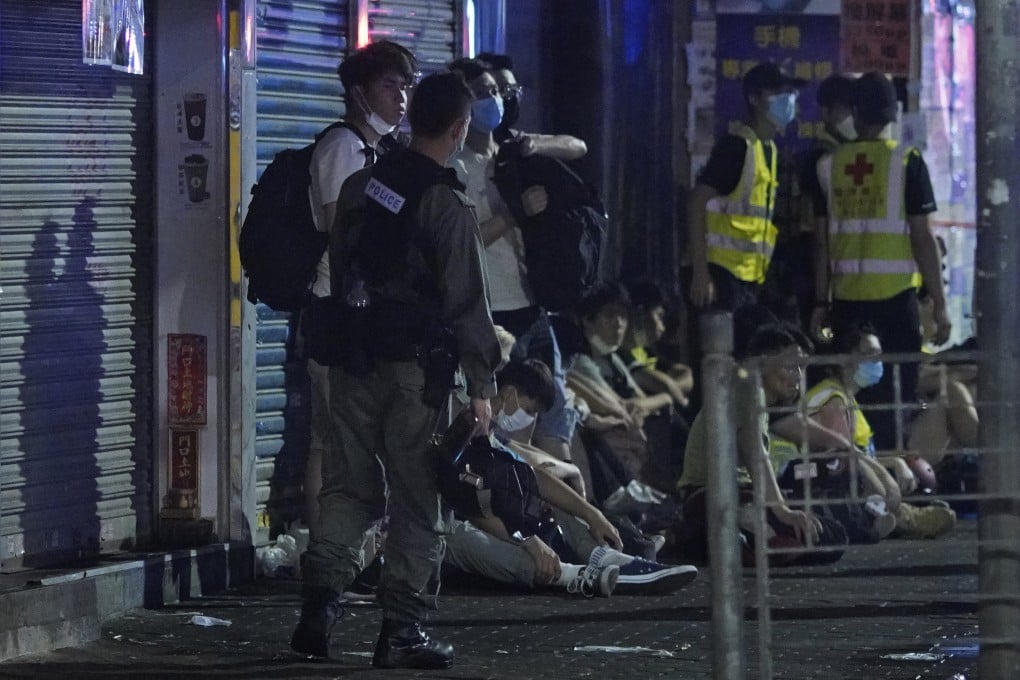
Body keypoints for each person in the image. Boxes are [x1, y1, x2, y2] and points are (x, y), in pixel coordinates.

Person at [290, 72, 502, 670]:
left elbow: (339, 259)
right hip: (418, 373)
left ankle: (320, 604)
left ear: (413, 119)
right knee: (417, 498)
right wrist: (482, 388)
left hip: (354, 360)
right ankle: (401, 630)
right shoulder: (447, 204)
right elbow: (467, 304)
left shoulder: (361, 185)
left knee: (347, 486)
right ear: (459, 128)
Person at [442, 358, 698, 596]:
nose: (530, 419)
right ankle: (574, 576)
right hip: (448, 525)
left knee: (544, 496)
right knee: (469, 536)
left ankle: (606, 559)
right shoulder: (461, 424)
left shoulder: (488, 430)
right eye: (529, 410)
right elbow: (466, 502)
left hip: (482, 513)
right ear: (508, 393)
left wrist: (591, 514)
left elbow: (532, 476)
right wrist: (527, 539)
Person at [446, 57, 583, 468]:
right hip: (495, 315)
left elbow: (577, 146)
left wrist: (535, 145)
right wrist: (513, 214)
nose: (495, 100)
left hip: (533, 304)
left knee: (554, 413)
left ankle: (576, 522)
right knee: (508, 425)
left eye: (497, 92)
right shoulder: (455, 166)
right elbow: (463, 242)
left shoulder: (510, 151)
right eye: (482, 94)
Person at [302, 40, 417, 528]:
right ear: (359, 92)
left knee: (356, 441)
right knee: (330, 441)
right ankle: (323, 553)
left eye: (406, 87)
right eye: (389, 86)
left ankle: (354, 550)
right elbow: (339, 232)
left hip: (364, 315)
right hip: (336, 312)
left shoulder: (380, 150)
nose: (401, 97)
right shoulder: (342, 148)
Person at [810, 71, 951, 451]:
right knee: (896, 401)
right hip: (895, 305)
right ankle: (892, 484)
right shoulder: (907, 162)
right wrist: (938, 303)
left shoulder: (828, 166)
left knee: (850, 396)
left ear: (855, 114)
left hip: (846, 305)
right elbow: (922, 240)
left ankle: (857, 484)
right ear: (892, 114)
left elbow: (821, 243)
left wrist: (820, 303)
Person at [676, 325, 847, 566]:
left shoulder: (753, 394)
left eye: (801, 367)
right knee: (795, 537)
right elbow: (756, 453)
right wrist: (783, 511)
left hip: (744, 494)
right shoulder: (747, 387)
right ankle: (696, 537)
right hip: (709, 495)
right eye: (790, 365)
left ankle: (726, 540)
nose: (798, 374)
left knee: (831, 534)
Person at [805, 323, 957, 539]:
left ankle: (899, 514)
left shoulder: (844, 395)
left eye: (878, 355)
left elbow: (861, 454)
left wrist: (895, 462)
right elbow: (845, 457)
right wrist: (888, 472)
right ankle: (900, 517)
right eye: (868, 354)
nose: (876, 362)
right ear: (843, 359)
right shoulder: (833, 399)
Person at [475, 51, 588, 158]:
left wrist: (535, 146)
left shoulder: (508, 138)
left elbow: (578, 146)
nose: (508, 98)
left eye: (512, 90)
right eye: (497, 90)